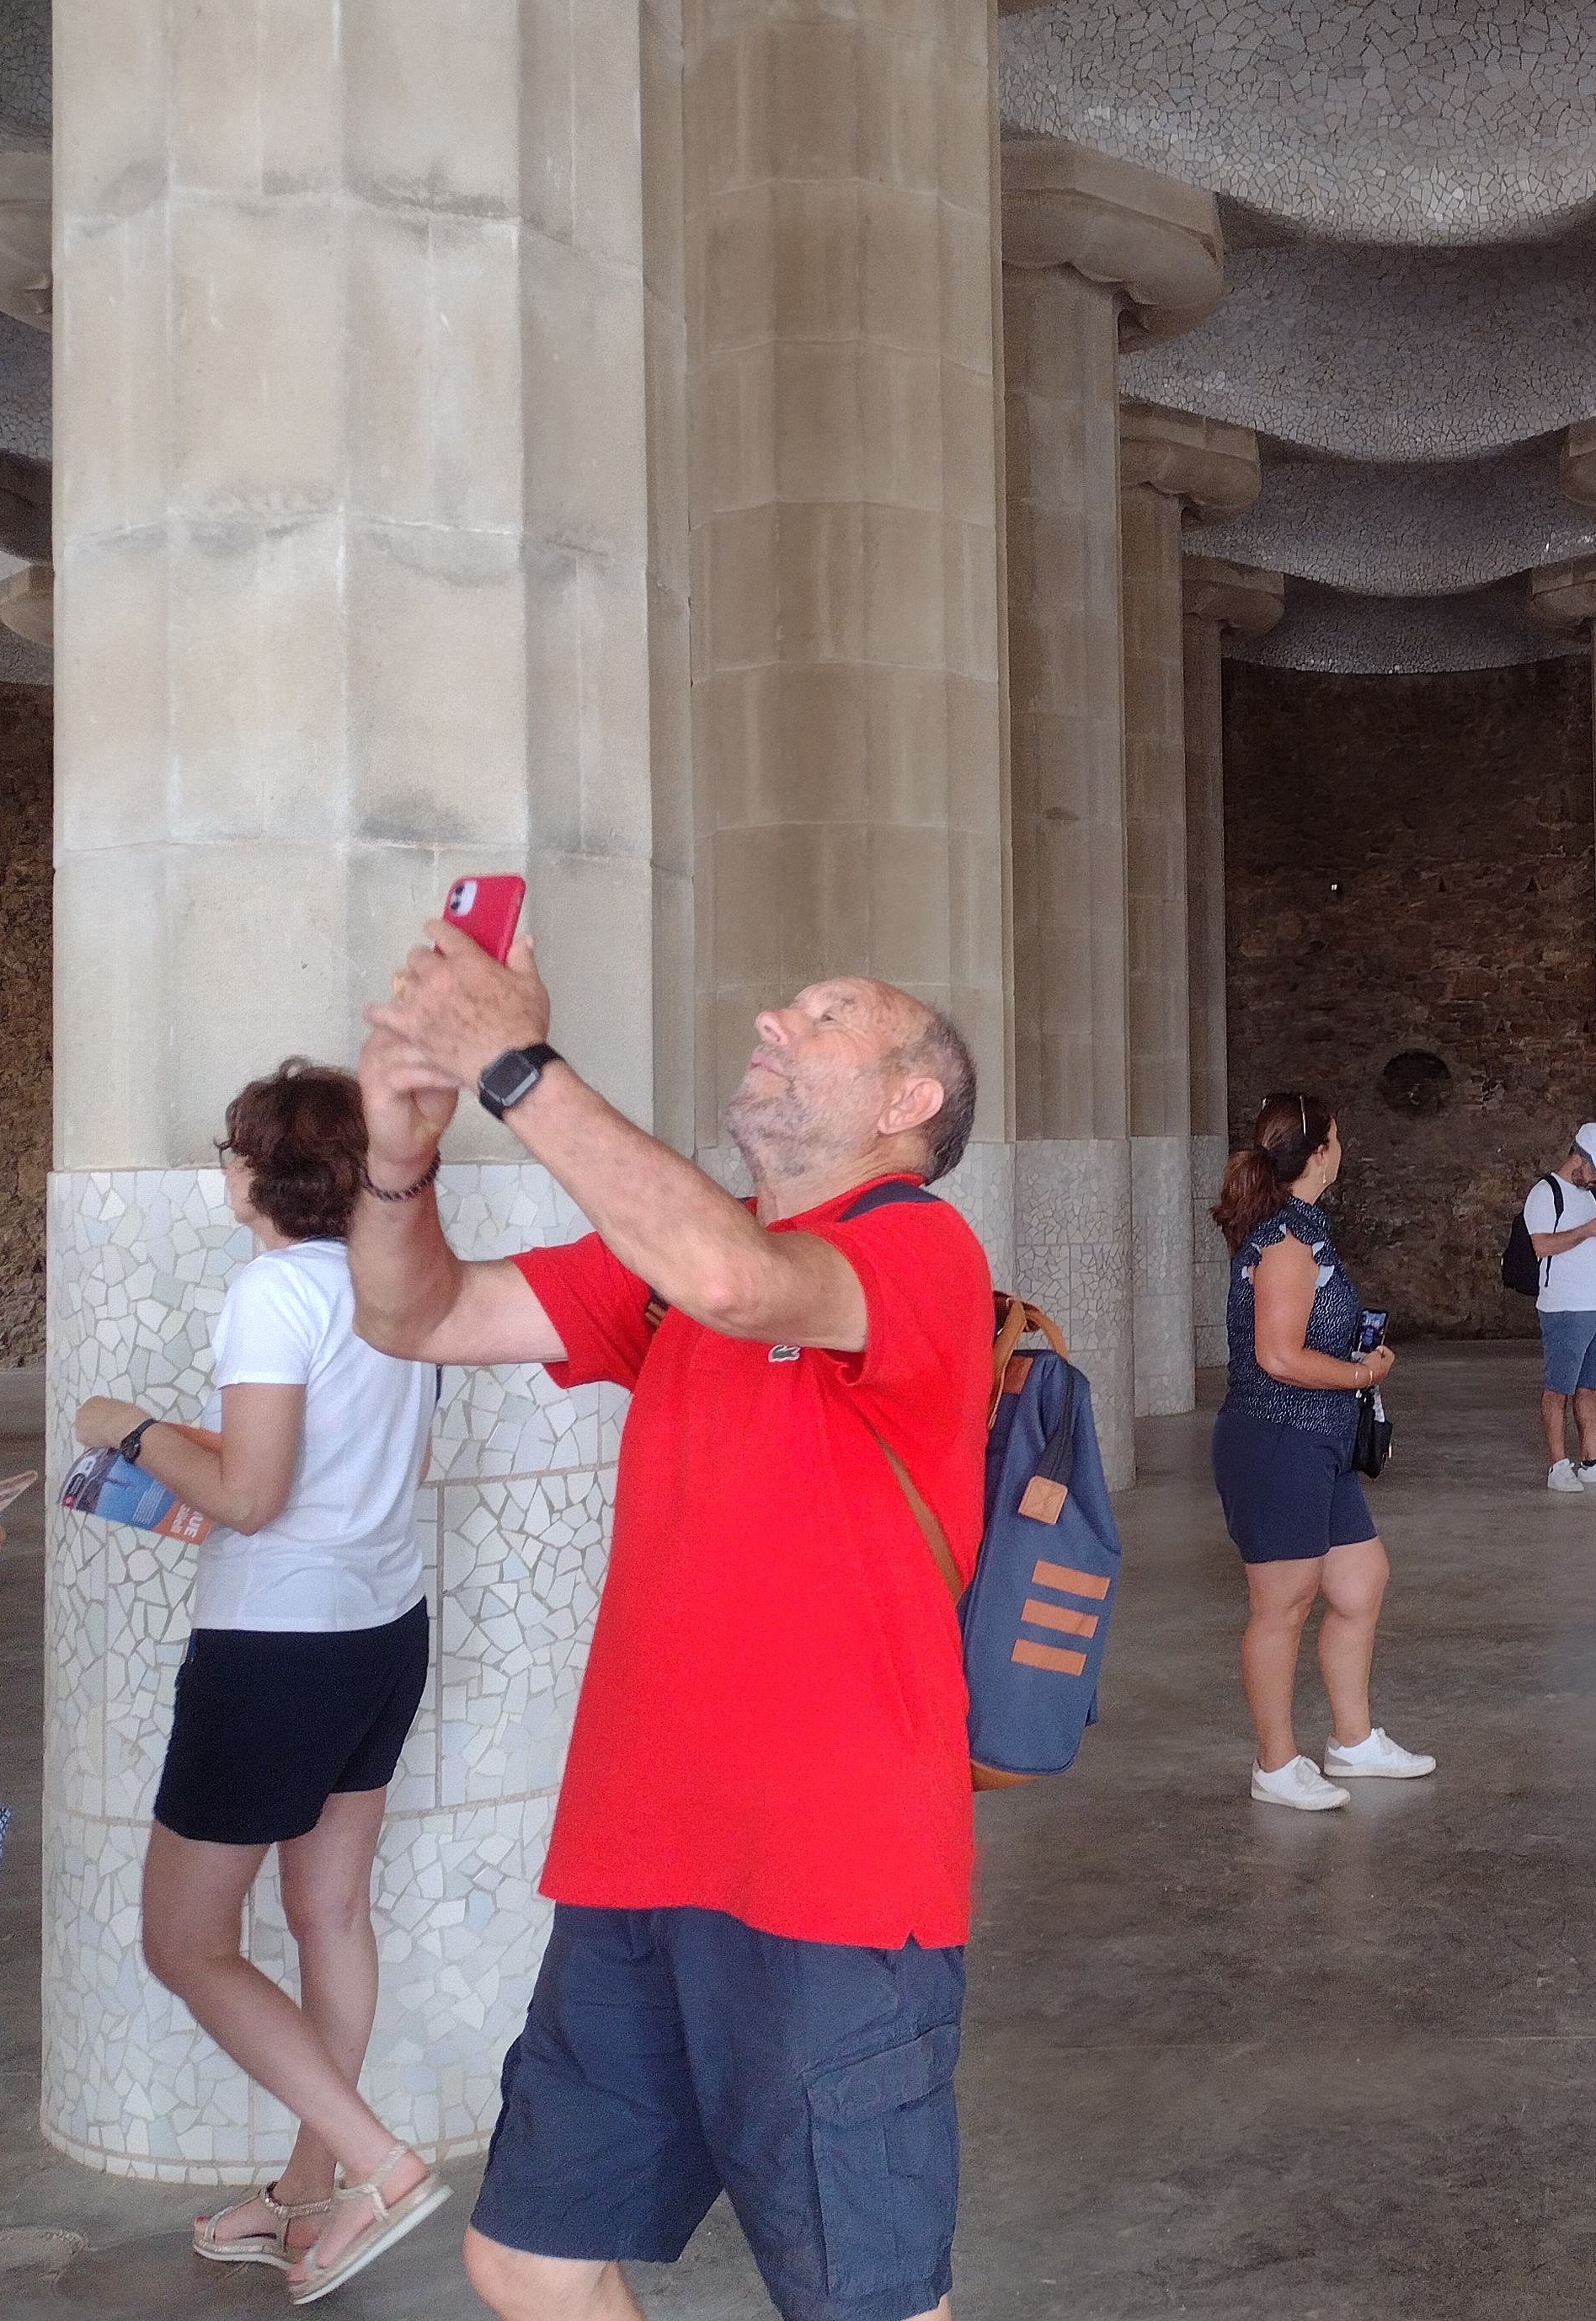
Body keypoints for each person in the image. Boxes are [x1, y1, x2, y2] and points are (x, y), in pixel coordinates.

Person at [347, 927, 995, 2321]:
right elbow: (421, 1314)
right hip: (639, 1857)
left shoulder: (917, 1249)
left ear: (910, 1100)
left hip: (833, 1875)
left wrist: (513, 1061)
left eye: (826, 1015)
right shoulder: (669, 1261)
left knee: (867, 2303)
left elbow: (737, 1283)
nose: (772, 1018)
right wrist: (399, 1153)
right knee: (527, 2259)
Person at [70, 1061, 446, 2301]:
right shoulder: (396, 1280)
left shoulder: (274, 1290)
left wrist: (128, 1431)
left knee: (185, 1940)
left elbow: (251, 1496)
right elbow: (352, 1468)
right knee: (330, 1916)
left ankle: (379, 2167)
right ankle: (307, 2195)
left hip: (278, 1647)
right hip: (382, 1629)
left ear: (254, 1175)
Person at [1211, 1093, 1431, 1811]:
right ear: (1319, 1153)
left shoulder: (1306, 1229)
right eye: (1336, 1137)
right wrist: (1364, 1375)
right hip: (1277, 1438)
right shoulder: (1284, 1242)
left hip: (1320, 1438)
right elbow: (1278, 1357)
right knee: (1283, 1605)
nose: (1342, 1149)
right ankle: (1275, 1764)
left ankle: (1353, 1742)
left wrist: (1353, 1363)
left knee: (1361, 1583)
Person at [1522, 1123, 1596, 1492]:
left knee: (1589, 1387)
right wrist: (1589, 1230)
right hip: (1564, 1307)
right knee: (1558, 1388)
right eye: (1595, 1169)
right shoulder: (1545, 1193)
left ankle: (1590, 1460)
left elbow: (1588, 1246)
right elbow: (1541, 1246)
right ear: (1578, 1158)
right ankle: (1558, 1466)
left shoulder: (1592, 1196)